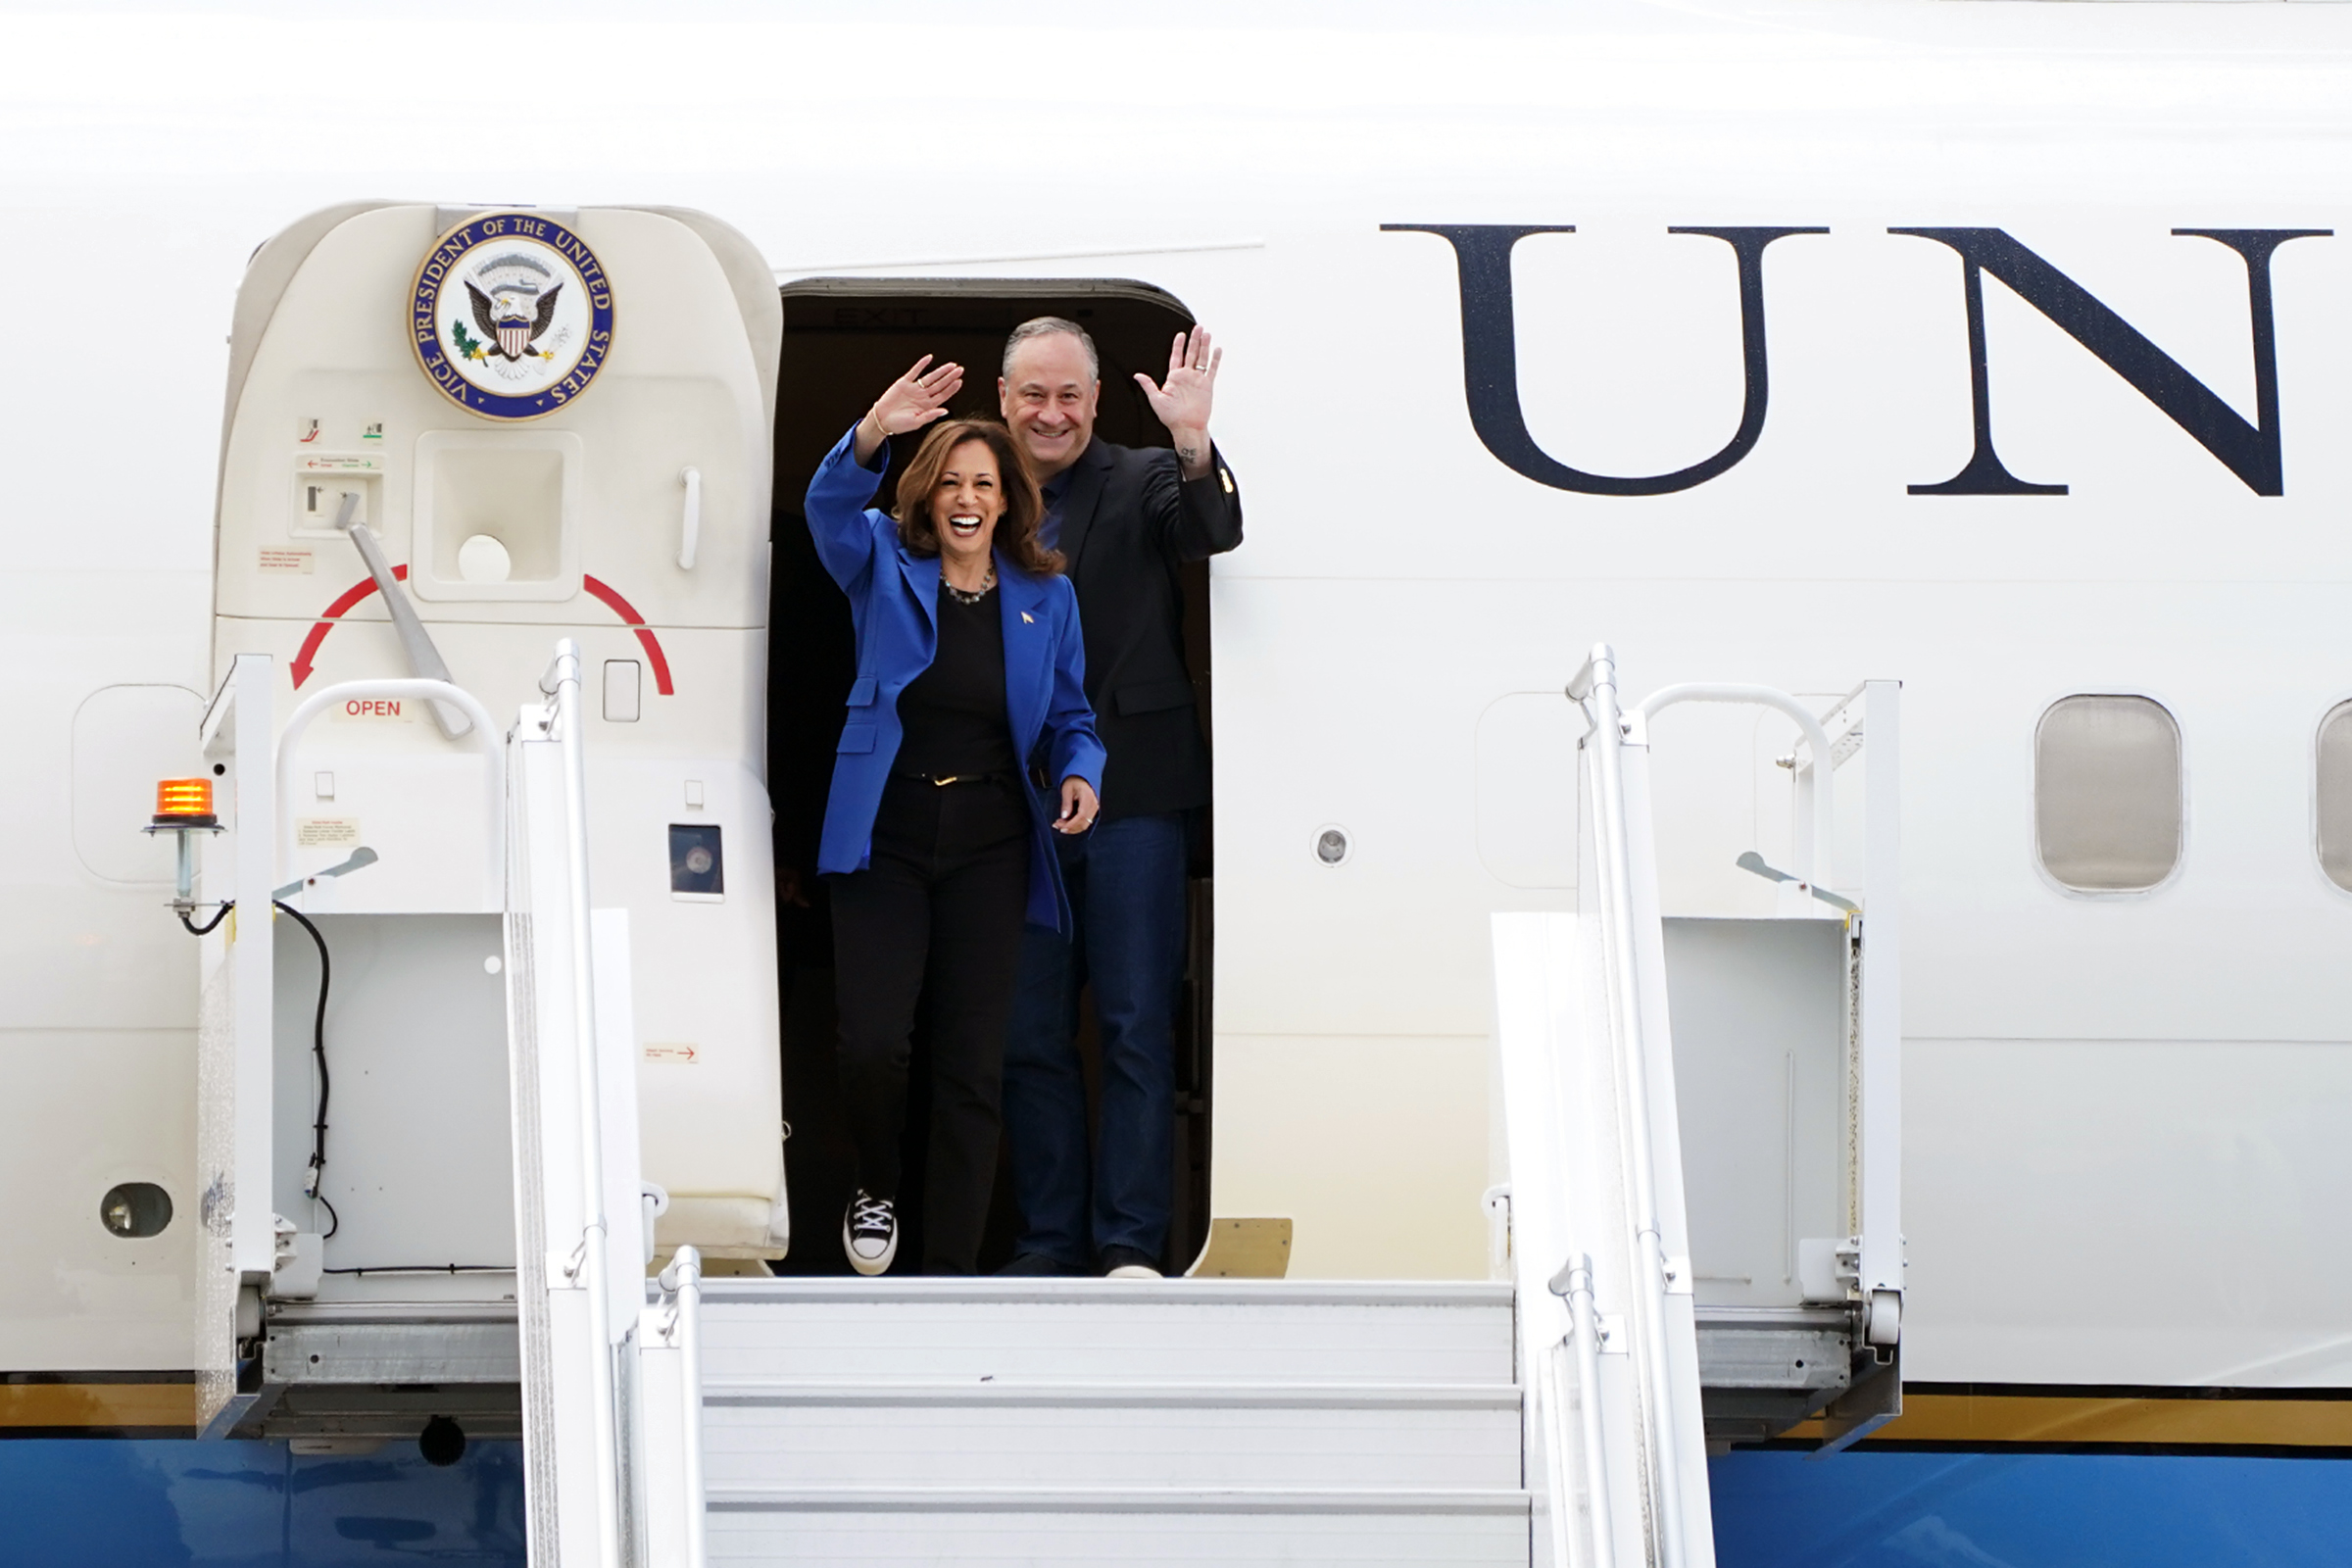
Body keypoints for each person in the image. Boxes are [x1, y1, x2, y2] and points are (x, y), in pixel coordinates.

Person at [804, 354, 1105, 1276]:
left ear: (1009, 499)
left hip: (991, 843)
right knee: (873, 1046)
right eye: (950, 483)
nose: (966, 498)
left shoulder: (1046, 598)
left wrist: (1081, 771)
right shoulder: (880, 564)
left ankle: (951, 1264)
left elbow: (1070, 716)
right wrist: (873, 432)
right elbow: (825, 507)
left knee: (973, 1064)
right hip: (885, 834)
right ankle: (875, 1189)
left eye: (984, 482)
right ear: (926, 498)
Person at [996, 318, 1243, 1279]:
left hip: (1134, 796)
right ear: (1004, 396)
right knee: (1029, 1034)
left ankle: (1130, 1243)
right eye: (1033, 394)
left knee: (1138, 1025)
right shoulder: (972, 485)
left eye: (1069, 396)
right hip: (1013, 808)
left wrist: (1191, 439)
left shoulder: (1142, 477)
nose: (1051, 413)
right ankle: (1049, 1242)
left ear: (1096, 402)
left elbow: (1212, 530)